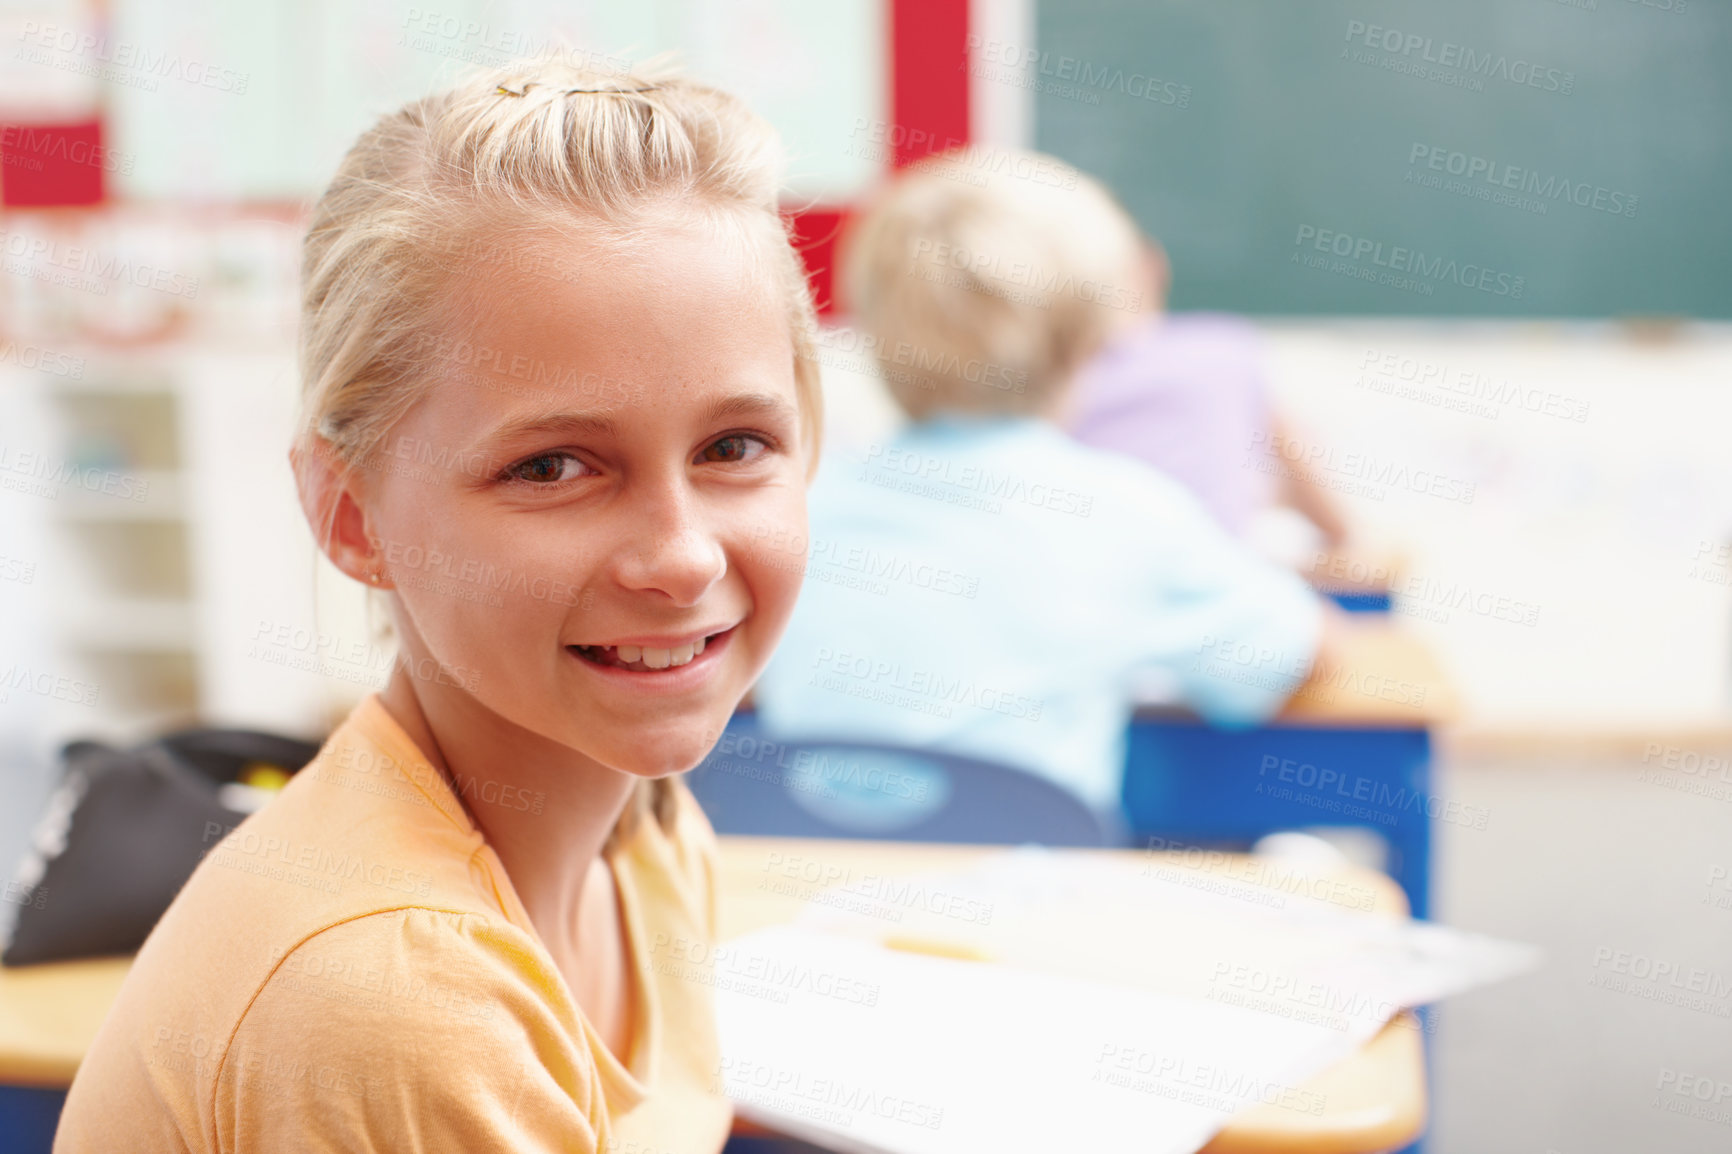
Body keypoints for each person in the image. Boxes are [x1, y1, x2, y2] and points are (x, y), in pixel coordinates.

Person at [55, 56, 821, 1153]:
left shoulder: (644, 825)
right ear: (354, 513)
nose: (683, 557)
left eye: (734, 446)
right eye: (553, 465)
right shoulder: (399, 1000)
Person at [750, 148, 1341, 819]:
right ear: (1085, 342)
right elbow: (1297, 651)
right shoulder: (1128, 512)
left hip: (808, 900)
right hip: (1030, 905)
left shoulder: (798, 503)